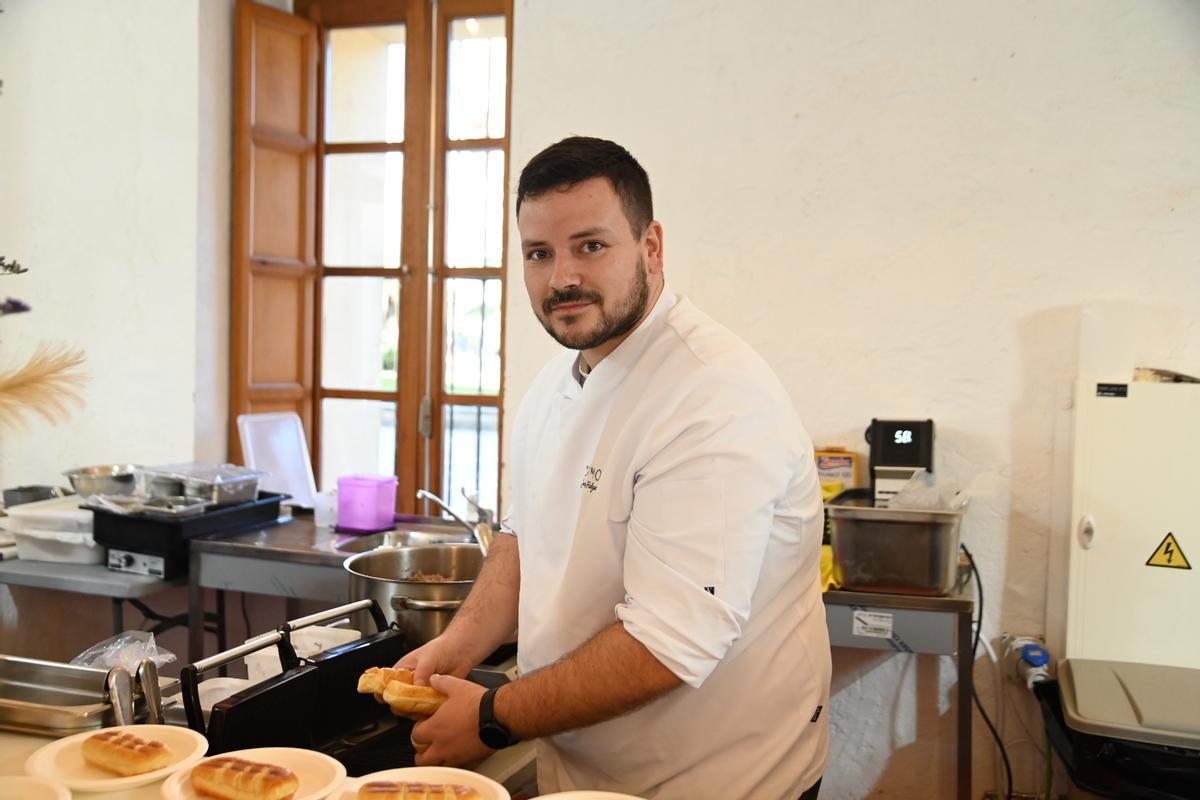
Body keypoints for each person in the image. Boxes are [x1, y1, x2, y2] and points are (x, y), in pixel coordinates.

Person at [392, 136, 830, 800]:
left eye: (590, 246)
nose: (562, 277)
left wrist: (490, 717)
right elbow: (521, 536)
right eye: (539, 254)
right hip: (586, 768)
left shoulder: (711, 398)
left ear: (651, 246)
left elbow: (669, 643)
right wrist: (455, 649)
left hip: (716, 780)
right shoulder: (553, 387)